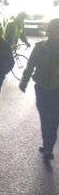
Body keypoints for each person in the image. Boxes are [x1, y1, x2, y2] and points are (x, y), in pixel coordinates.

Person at [19, 18, 59, 160]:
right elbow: (30, 65)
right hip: (41, 88)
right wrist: (24, 81)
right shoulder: (40, 47)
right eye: (53, 29)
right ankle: (47, 143)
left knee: (52, 118)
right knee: (45, 117)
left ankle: (48, 147)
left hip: (56, 90)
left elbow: (30, 66)